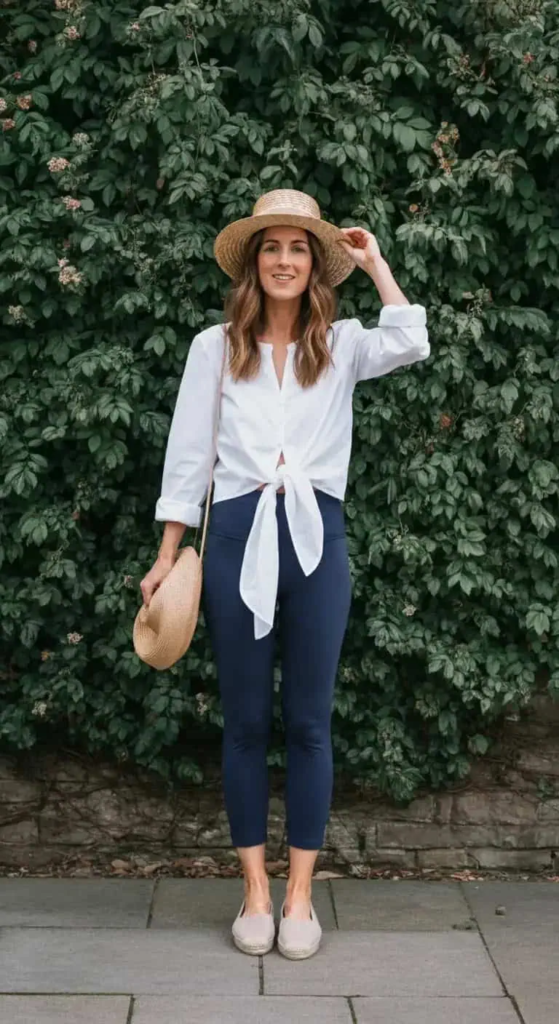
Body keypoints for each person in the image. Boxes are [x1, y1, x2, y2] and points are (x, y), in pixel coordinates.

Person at [140, 189, 429, 959]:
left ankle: (301, 895)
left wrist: (374, 263)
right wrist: (168, 553)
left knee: (307, 723)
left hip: (315, 538)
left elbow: (410, 340)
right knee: (243, 724)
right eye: (271, 247)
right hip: (235, 533)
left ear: (314, 265)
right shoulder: (213, 346)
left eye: (299, 249)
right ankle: (255, 892)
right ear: (251, 263)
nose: (284, 261)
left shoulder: (338, 343)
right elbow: (187, 459)